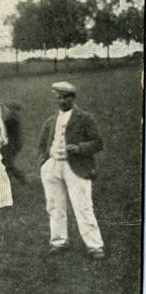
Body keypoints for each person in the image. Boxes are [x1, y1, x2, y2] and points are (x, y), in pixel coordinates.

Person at [37, 81, 105, 259]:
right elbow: (42, 144)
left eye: (64, 97)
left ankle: (94, 246)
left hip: (76, 167)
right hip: (52, 166)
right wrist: (44, 163)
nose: (60, 101)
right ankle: (59, 241)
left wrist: (80, 148)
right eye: (57, 97)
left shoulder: (84, 118)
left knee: (82, 206)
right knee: (54, 206)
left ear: (72, 98)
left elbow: (98, 143)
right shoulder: (51, 121)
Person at [0, 101, 26, 183]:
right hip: (14, 144)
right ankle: (12, 178)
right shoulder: (14, 118)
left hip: (11, 144)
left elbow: (5, 127)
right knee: (6, 162)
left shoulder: (12, 119)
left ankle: (19, 176)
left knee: (7, 162)